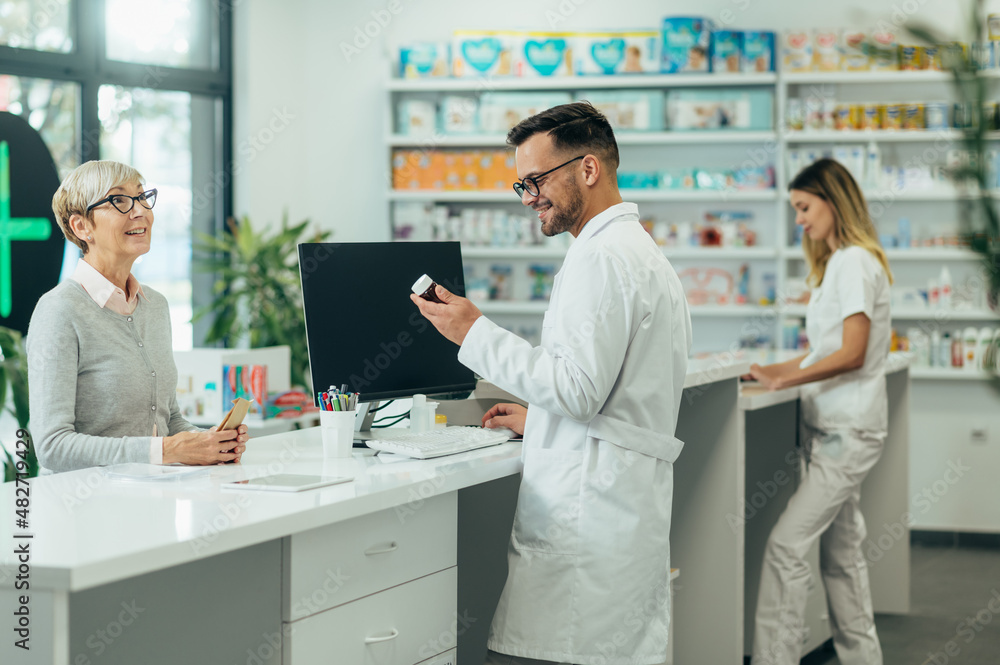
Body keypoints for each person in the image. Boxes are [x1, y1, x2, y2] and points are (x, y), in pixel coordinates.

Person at [410, 102, 692, 665]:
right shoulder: (634, 251)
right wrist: (541, 422)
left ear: (588, 169)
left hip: (590, 525)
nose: (528, 197)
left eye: (536, 180)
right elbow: (609, 393)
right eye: (521, 184)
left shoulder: (603, 258)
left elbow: (577, 390)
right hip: (616, 509)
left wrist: (474, 331)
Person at [748, 158, 892, 665]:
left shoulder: (853, 262)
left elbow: (852, 352)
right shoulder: (839, 264)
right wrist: (766, 370)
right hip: (836, 429)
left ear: (833, 200)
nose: (800, 221)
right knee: (844, 557)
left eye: (805, 207)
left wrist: (786, 376)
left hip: (846, 433)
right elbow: (821, 352)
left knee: (786, 546)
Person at [26, 161, 248, 473]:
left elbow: (168, 419)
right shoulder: (59, 311)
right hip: (85, 512)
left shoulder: (155, 305)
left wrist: (209, 443)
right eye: (119, 200)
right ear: (81, 227)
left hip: (155, 504)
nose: (140, 210)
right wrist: (166, 450)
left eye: (143, 197)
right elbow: (53, 447)